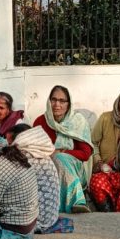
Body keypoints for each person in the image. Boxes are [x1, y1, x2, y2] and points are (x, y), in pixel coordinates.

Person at [33, 85, 94, 213]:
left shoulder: (78, 121)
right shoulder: (40, 121)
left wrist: (62, 152)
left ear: (68, 104)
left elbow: (85, 154)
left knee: (60, 158)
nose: (57, 104)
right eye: (54, 100)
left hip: (75, 169)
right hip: (46, 167)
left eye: (62, 101)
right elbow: (34, 149)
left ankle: (77, 200)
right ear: (49, 101)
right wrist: (50, 154)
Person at [7, 123, 72, 234]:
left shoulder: (23, 156)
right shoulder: (40, 152)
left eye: (10, 143)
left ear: (20, 140)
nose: (8, 147)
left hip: (35, 221)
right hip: (50, 218)